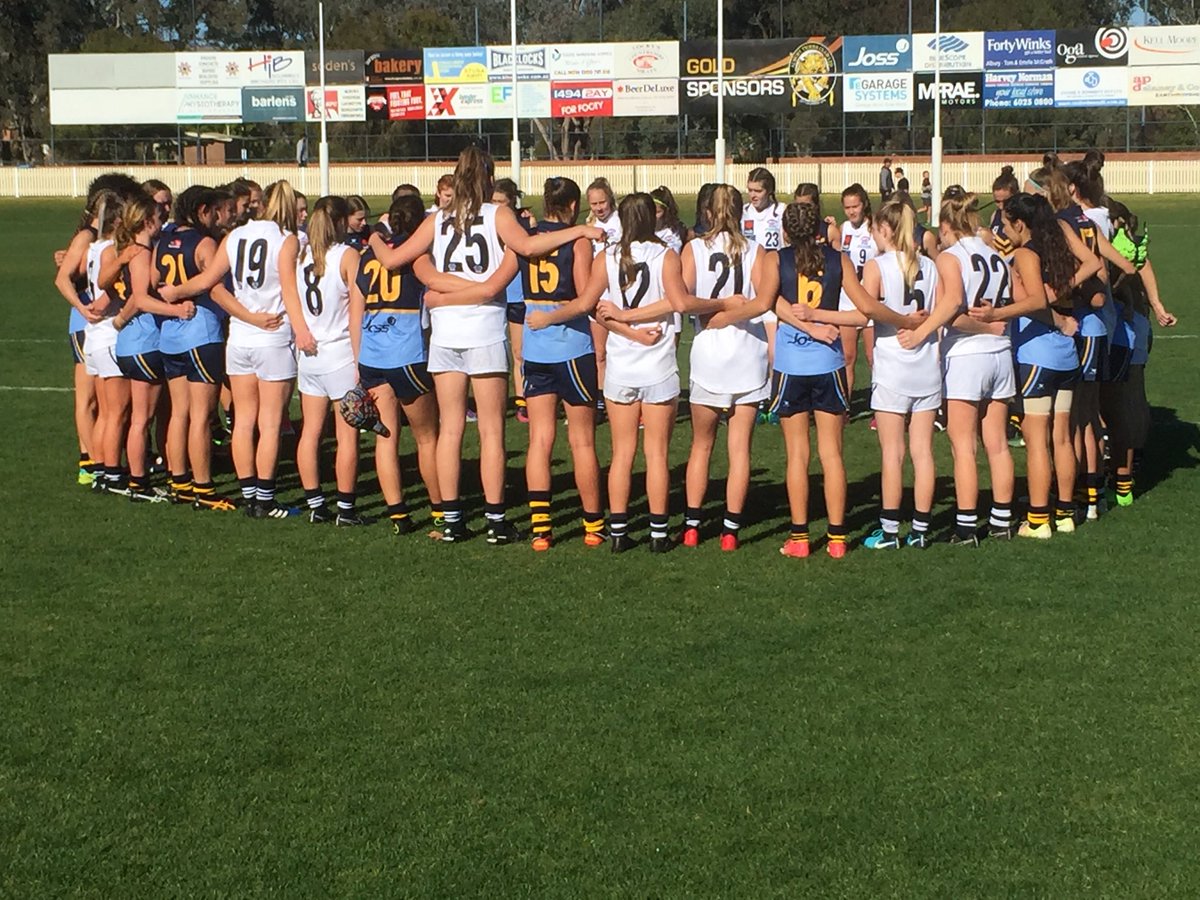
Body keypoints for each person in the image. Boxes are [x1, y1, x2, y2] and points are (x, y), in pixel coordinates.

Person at [369, 146, 601, 543]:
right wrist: (579, 230)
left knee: (450, 429)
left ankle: (452, 520)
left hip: (445, 333)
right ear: (489, 177)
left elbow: (393, 261)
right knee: (492, 431)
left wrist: (375, 238)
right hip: (484, 329)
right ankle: (496, 521)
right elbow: (529, 247)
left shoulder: (437, 218)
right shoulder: (498, 214)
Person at [161, 180, 298, 519]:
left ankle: (249, 494)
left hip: (239, 338)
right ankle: (265, 499)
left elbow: (208, 281)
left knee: (243, 419)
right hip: (272, 334)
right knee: (269, 423)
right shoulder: (287, 239)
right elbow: (290, 292)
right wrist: (305, 333)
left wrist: (175, 292)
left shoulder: (234, 236)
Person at [969, 193, 1101, 538]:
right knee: (1063, 437)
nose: (1003, 230)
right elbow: (1092, 262)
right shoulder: (1058, 241)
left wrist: (996, 313)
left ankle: (1039, 519)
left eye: (1006, 223)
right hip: (1066, 353)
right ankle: (1065, 513)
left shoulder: (1026, 253)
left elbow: (1036, 300)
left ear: (1019, 223)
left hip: (1037, 354)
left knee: (1037, 440)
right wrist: (1064, 288)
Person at [896, 189, 1016, 544]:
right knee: (998, 443)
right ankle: (1002, 520)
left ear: (947, 226)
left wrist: (920, 333)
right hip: (1000, 353)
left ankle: (966, 526)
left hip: (967, 357)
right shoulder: (996, 255)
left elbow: (952, 306)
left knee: (963, 445)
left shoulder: (951, 257)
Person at [678, 184, 778, 551]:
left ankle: (692, 526)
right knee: (740, 450)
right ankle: (730, 531)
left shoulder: (694, 248)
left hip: (709, 354)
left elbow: (683, 301)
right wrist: (730, 308)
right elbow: (764, 302)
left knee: (701, 445)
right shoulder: (756, 250)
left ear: (707, 212)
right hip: (748, 355)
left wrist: (717, 311)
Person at [592, 193, 688, 552]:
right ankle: (659, 534)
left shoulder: (607, 256)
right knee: (657, 454)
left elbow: (595, 307)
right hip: (658, 363)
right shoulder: (666, 255)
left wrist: (623, 320)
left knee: (622, 453)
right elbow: (677, 302)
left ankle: (618, 531)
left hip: (621, 364)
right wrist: (635, 319)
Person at [516, 177, 605, 550]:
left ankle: (541, 530)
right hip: (571, 348)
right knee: (582, 441)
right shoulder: (578, 242)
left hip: (535, 351)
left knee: (539, 439)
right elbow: (585, 298)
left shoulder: (529, 240)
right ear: (571, 206)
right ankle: (593, 526)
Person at [352, 194, 443, 537]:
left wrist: (358, 361)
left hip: (372, 354)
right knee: (427, 438)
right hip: (407, 352)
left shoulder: (367, 256)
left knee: (386, 436)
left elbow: (356, 310)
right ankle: (441, 510)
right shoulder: (417, 252)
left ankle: (398, 515)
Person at [104, 194, 196, 502]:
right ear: (147, 222)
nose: (163, 222)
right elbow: (142, 298)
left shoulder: (127, 250)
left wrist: (120, 317)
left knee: (141, 416)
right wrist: (176, 310)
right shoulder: (142, 253)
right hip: (144, 341)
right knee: (143, 418)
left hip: (128, 342)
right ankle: (139, 482)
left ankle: (142, 477)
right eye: (159, 218)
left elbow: (106, 282)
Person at [156, 186, 239, 511]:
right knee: (202, 416)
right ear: (202, 211)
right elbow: (214, 287)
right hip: (201, 334)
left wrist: (172, 296)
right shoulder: (205, 244)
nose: (220, 218)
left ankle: (179, 481)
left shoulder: (164, 241)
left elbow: (154, 281)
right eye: (216, 211)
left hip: (170, 335)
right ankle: (204, 487)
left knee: (179, 413)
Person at [290, 196, 367, 525]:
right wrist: (361, 362)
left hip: (309, 355)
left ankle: (316, 505)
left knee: (311, 432)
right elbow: (356, 313)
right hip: (340, 353)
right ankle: (346, 509)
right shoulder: (347, 255)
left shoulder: (302, 255)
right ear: (340, 222)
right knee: (347, 435)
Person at [492, 177, 534, 423]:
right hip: (493, 293)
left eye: (501, 201)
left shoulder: (522, 224)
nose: (496, 206)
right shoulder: (485, 222)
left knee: (520, 350)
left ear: (512, 202)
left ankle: (523, 399)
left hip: (518, 294)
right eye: (493, 201)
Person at [836, 184, 879, 410]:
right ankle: (844, 407)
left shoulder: (875, 229)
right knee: (847, 357)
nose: (852, 211)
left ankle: (880, 406)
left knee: (873, 358)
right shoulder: (843, 229)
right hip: (847, 300)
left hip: (870, 299)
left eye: (855, 206)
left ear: (864, 205)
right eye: (847, 207)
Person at [586, 176, 621, 412]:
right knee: (599, 353)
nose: (599, 208)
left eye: (602, 202)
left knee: (620, 350)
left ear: (610, 200)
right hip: (598, 296)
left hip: (618, 296)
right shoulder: (588, 226)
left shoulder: (621, 222)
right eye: (594, 204)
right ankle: (600, 399)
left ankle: (620, 398)